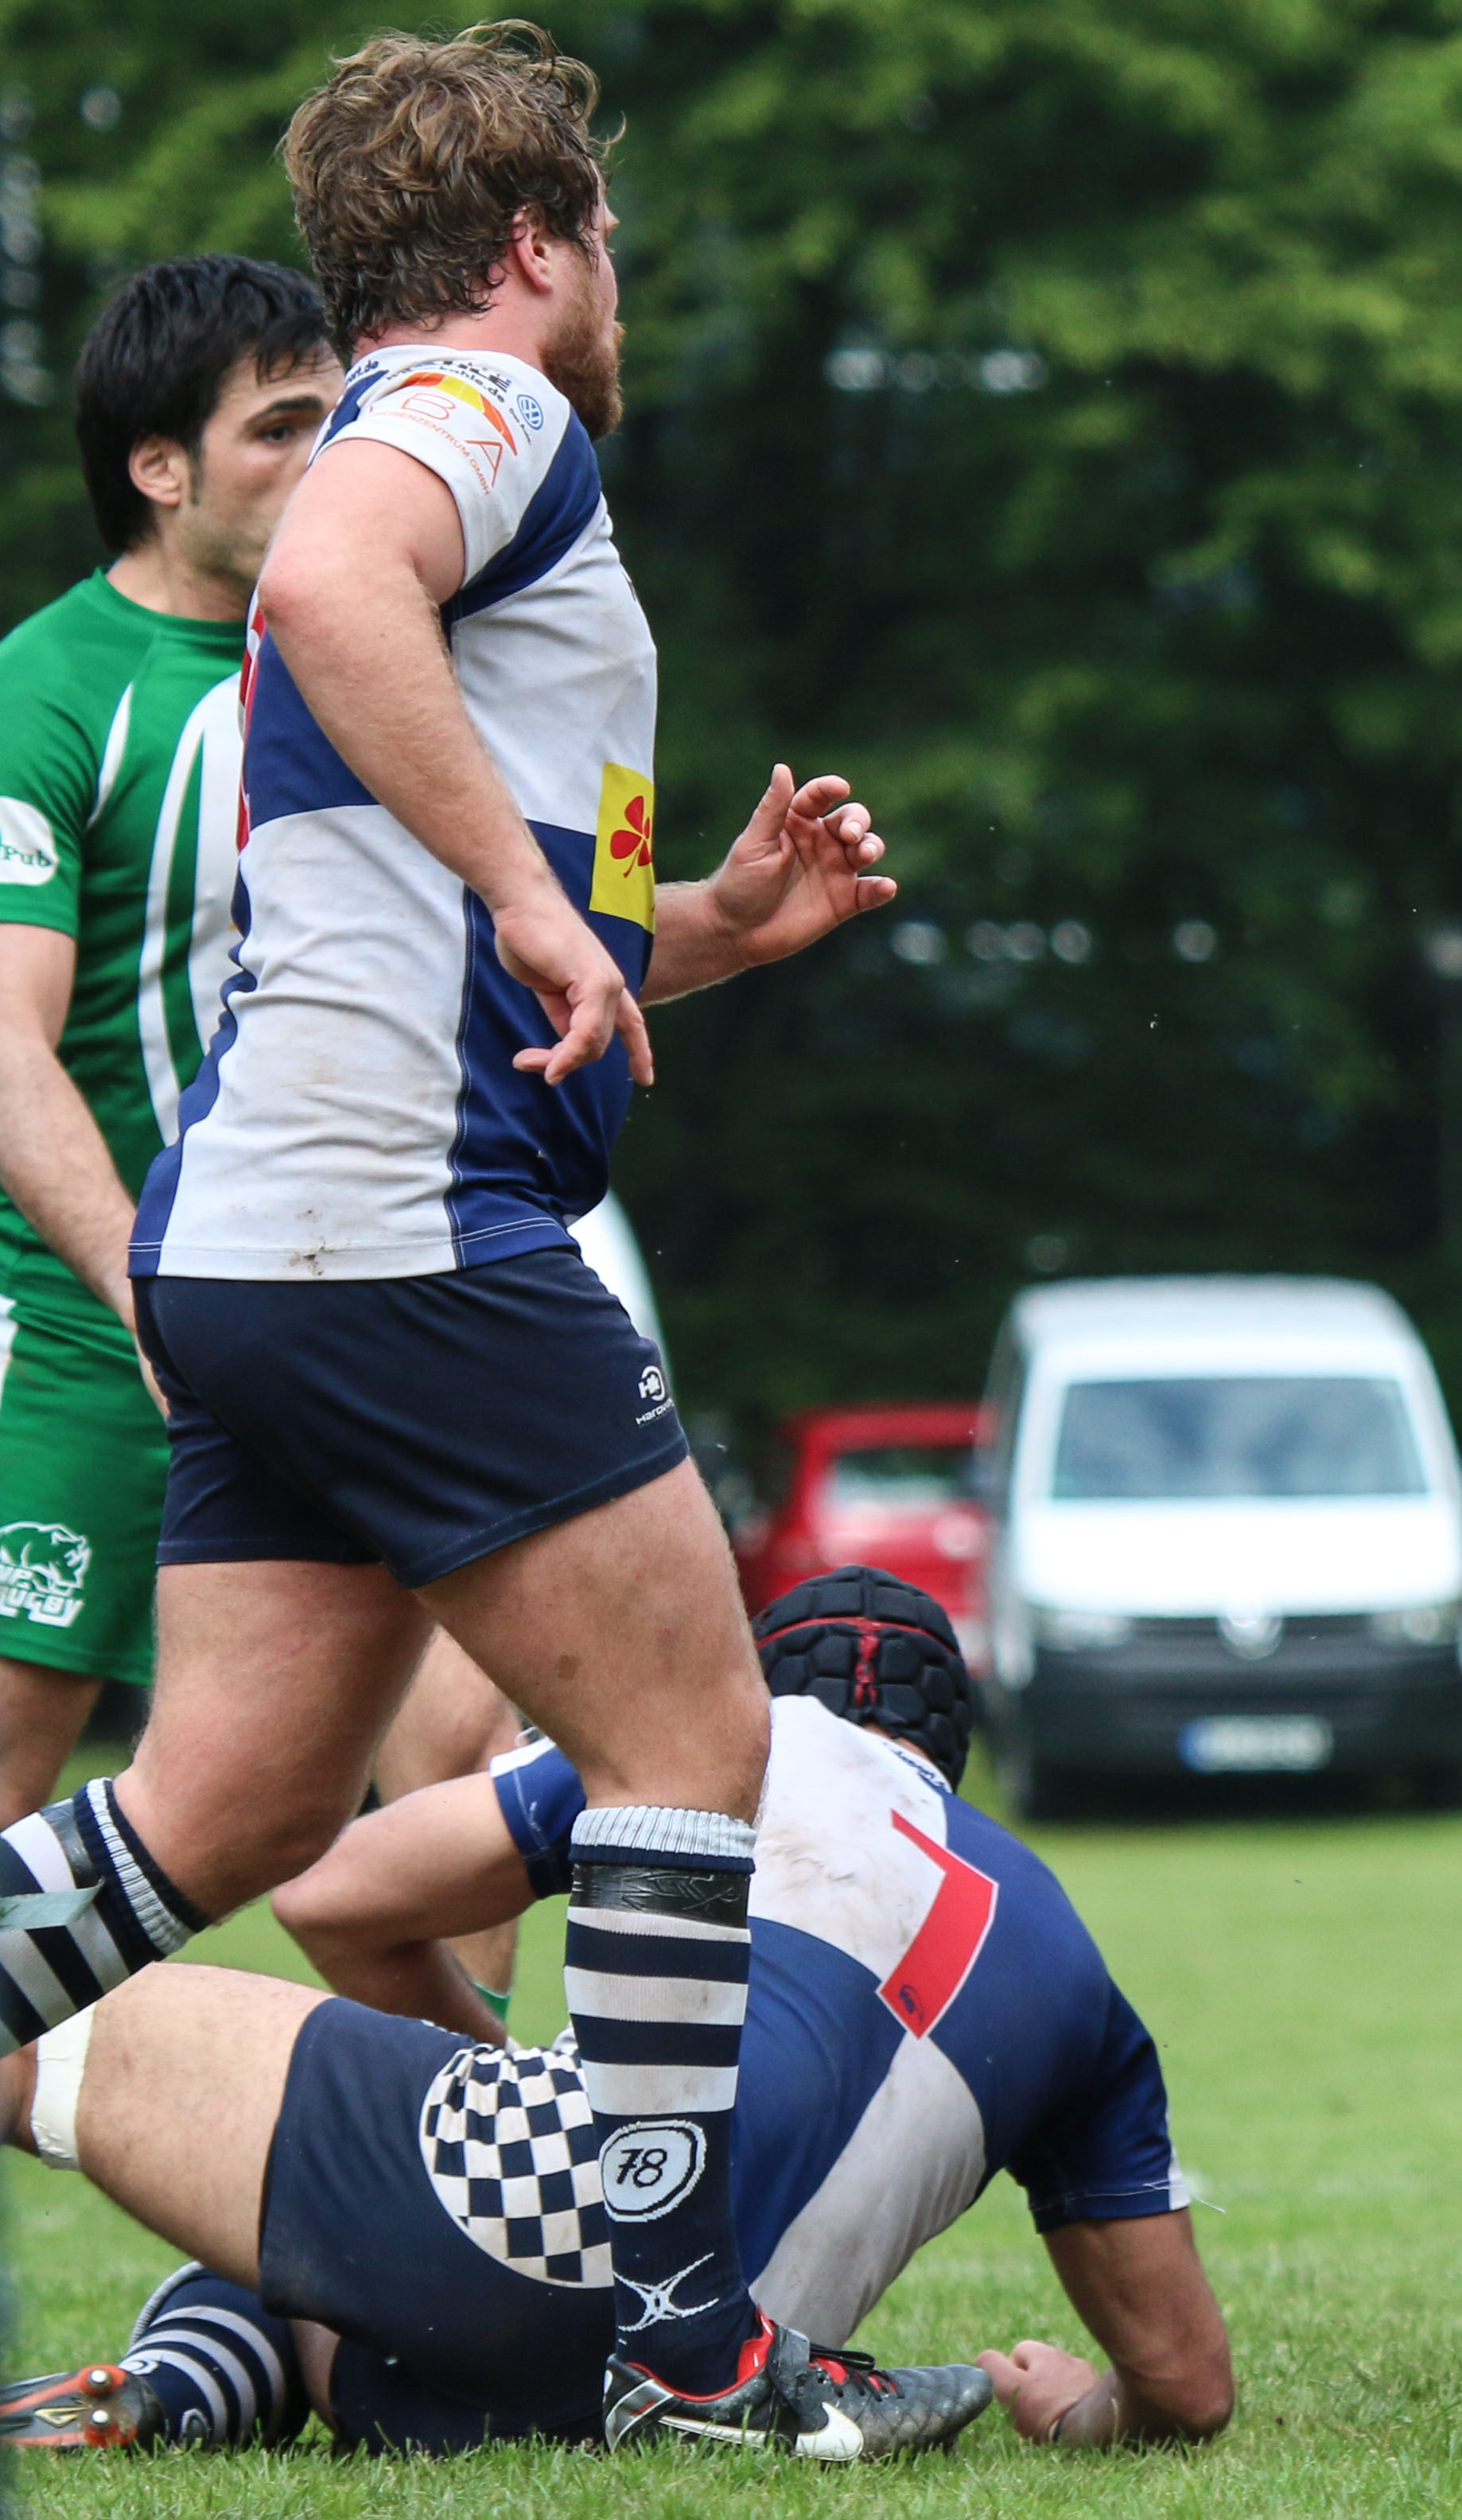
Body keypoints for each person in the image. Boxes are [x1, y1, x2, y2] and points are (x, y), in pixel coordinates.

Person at [0, 26, 963, 2456]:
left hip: (263, 1233)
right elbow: (336, 588)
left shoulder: (430, 447)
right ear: (540, 243)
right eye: (606, 240)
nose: (616, 285)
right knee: (691, 1740)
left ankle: (676, 2339)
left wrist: (690, 928)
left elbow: (442, 897)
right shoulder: (480, 404)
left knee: (220, 1817)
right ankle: (692, 2352)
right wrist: (542, 905)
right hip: (397, 1231)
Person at [0, 1567, 1227, 2458]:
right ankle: (177, 2389)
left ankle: (183, 2371)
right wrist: (1084, 2407)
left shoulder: (740, 1740)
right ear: (951, 1760)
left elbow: (336, 1899)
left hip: (556, 2217)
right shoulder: (1072, 1960)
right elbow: (1189, 2384)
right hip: (653, 2397)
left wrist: (481, 2083)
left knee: (32, 2014)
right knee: (334, 2259)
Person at [0, 258, 341, 1822]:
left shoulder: (370, 666)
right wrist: (148, 1289)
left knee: (449, 1760)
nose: (324, 459)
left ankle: (446, 2036)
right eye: (277, 427)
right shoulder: (47, 689)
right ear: (159, 468)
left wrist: (721, 920)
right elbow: (7, 1049)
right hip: (83, 1328)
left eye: (336, 420)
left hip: (325, 1305)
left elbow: (509, 947)